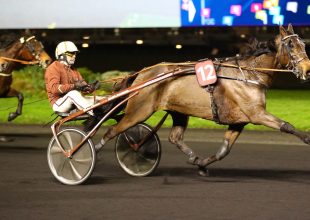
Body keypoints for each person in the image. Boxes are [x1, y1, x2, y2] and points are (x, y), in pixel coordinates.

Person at [44, 41, 100, 130]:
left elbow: (82, 86)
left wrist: (91, 87)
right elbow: (54, 89)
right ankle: (93, 115)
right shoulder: (53, 68)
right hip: (59, 104)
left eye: (75, 53)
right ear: (61, 55)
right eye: (71, 53)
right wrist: (74, 86)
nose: (74, 56)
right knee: (73, 93)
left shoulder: (73, 70)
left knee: (99, 99)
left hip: (73, 103)